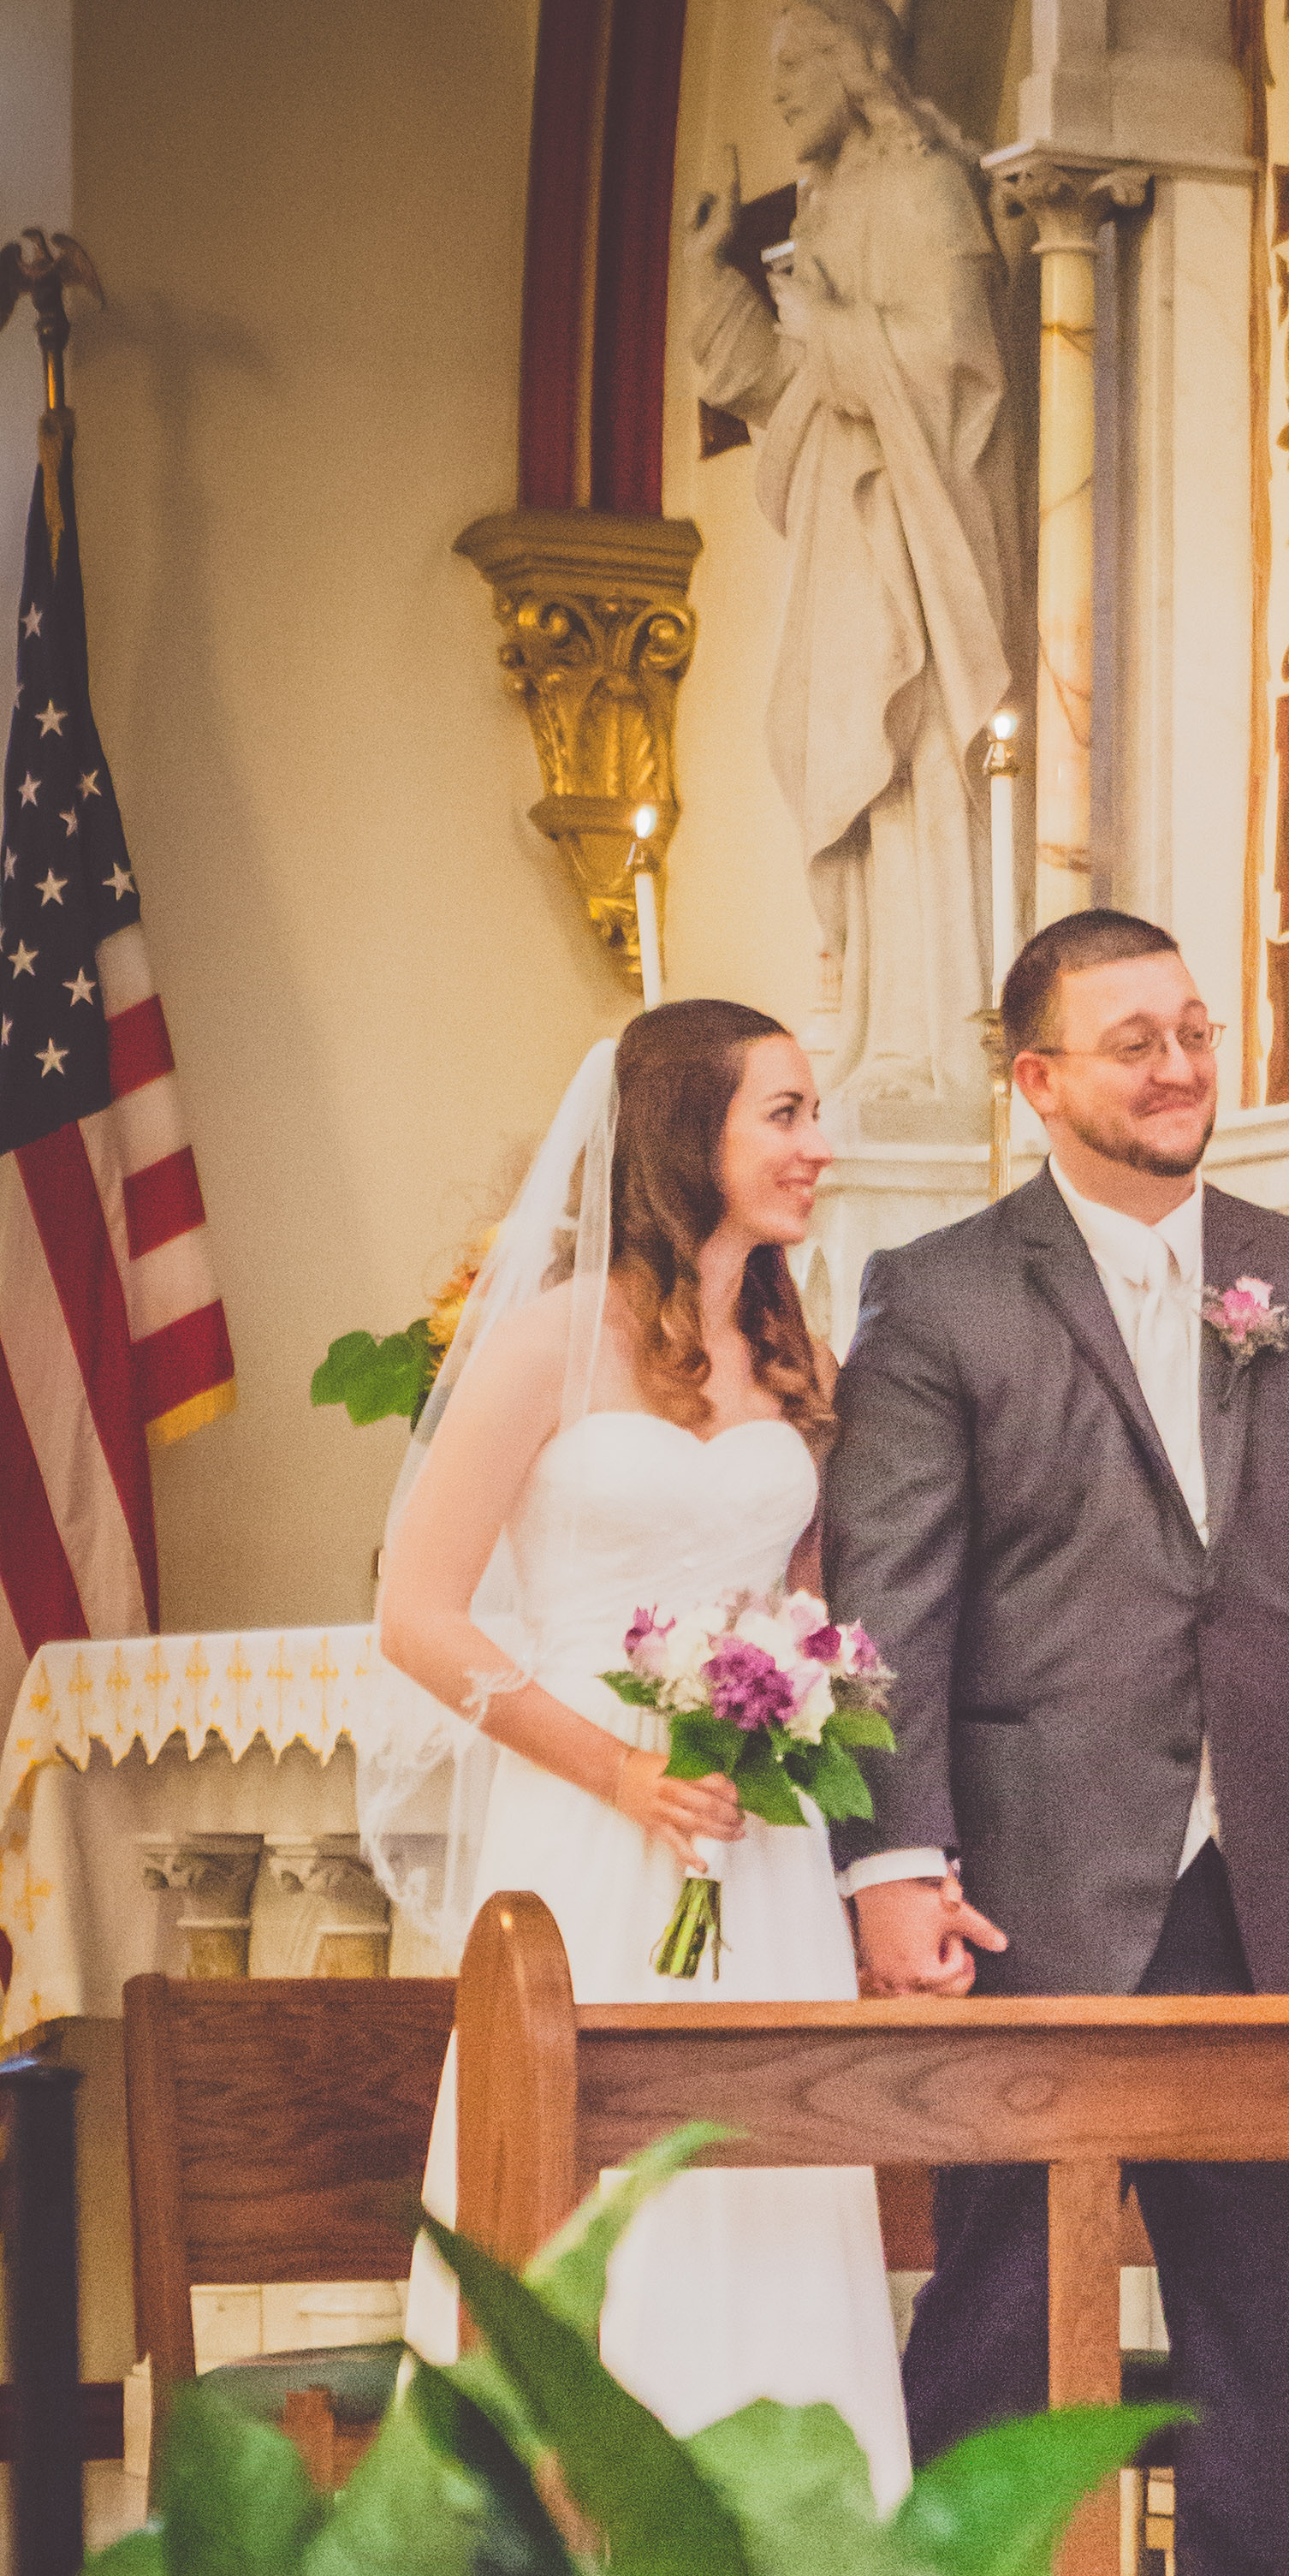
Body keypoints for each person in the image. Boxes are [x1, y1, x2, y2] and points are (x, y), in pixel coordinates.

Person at [828, 908, 1289, 2576]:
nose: (1181, 1066)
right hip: (1031, 1889)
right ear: (1038, 1081)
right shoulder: (940, 1293)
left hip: (1280, 1888)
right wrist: (894, 1860)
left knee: (1270, 2330)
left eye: (1193, 1030)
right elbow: (888, 1608)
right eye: (1134, 1042)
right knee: (1001, 2322)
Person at [362, 1000, 910, 2481]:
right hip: (589, 1819)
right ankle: (563, 2546)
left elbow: (810, 1601)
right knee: (592, 2179)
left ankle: (786, 2555)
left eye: (812, 1113)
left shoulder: (791, 1352)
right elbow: (416, 1613)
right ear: (685, 1135)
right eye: (784, 1114)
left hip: (756, 1828)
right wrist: (621, 1771)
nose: (818, 1145)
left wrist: (800, 1707)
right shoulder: (547, 1343)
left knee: (765, 2169)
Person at [683, 0, 1022, 1134]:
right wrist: (714, 281)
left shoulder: (927, 189)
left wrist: (828, 329)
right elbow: (782, 386)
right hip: (846, 525)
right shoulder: (827, 208)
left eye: (796, 65)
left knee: (916, 756)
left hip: (917, 530)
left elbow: (961, 365)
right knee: (854, 774)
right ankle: (879, 1035)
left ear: (857, 65)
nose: (777, 92)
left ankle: (941, 1040)